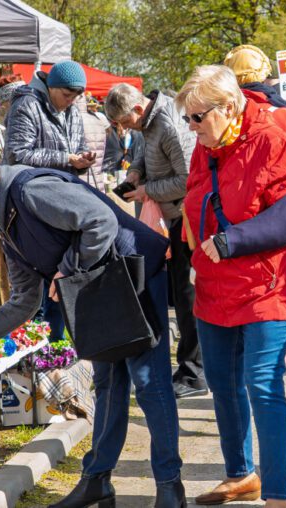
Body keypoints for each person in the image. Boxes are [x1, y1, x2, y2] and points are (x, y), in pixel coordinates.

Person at [0, 149, 184, 508]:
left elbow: (100, 220)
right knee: (108, 384)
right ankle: (96, 481)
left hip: (134, 276)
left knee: (150, 383)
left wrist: (69, 269)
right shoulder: (5, 229)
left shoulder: (30, 190)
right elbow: (25, 299)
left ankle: (169, 486)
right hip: (100, 288)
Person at [180, 65, 286, 508]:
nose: (191, 126)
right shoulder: (205, 146)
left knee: (262, 384)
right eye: (187, 118)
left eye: (197, 117)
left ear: (228, 107)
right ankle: (241, 474)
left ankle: (278, 496)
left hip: (268, 284)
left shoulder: (271, 137)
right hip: (215, 283)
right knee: (221, 382)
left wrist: (232, 240)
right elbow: (195, 200)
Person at [104, 83, 206, 399]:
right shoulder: (149, 122)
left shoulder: (168, 124)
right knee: (181, 294)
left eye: (125, 122)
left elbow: (187, 179)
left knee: (187, 296)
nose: (124, 129)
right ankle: (190, 366)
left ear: (138, 108)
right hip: (172, 217)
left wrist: (147, 191)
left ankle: (194, 373)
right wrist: (136, 172)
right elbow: (148, 155)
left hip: (185, 218)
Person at [4, 60, 94, 342]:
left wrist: (82, 159)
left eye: (76, 96)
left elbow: (76, 147)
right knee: (38, 287)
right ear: (51, 87)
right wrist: (66, 158)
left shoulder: (72, 109)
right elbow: (18, 154)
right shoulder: (27, 105)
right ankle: (36, 347)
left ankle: (54, 348)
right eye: (67, 95)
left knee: (60, 281)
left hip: (62, 204)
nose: (71, 101)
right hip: (31, 207)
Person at [81, 93, 111, 190]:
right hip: (97, 171)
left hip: (81, 174)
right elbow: (108, 132)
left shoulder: (75, 118)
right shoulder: (99, 118)